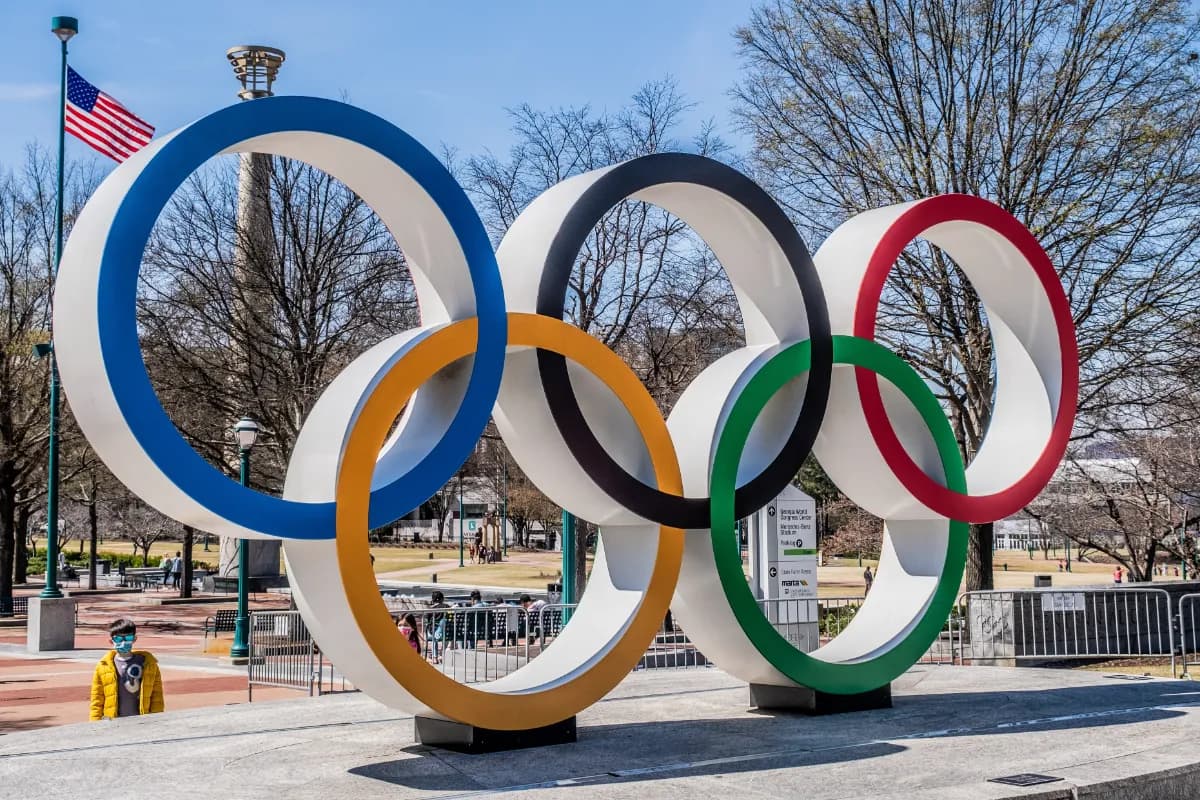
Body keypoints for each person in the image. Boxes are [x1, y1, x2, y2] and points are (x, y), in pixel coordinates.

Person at [90, 618, 164, 721]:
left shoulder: (148, 664)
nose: (124, 642)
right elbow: (97, 698)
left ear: (134, 639)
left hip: (141, 720)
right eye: (118, 639)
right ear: (111, 641)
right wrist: (94, 723)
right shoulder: (103, 666)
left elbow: (157, 696)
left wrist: (157, 719)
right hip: (113, 721)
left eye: (128, 638)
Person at [428, 590, 449, 662]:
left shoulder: (430, 609)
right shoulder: (446, 606)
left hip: (433, 632)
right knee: (447, 635)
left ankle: (434, 657)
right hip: (446, 633)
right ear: (442, 599)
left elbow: (429, 622)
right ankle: (442, 654)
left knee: (434, 637)